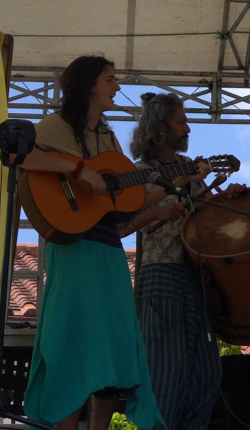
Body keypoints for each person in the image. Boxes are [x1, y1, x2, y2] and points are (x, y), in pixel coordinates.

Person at [19, 55, 165, 430]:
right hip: (73, 248)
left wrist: (170, 187)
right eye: (111, 79)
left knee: (111, 346)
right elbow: (24, 154)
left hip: (107, 252)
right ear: (88, 86)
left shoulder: (109, 137)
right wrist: (77, 168)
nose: (118, 87)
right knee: (75, 340)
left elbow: (123, 204)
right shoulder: (55, 125)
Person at [117, 92, 245, 430]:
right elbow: (133, 220)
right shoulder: (140, 173)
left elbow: (206, 219)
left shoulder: (193, 172)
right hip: (161, 276)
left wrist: (224, 198)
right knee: (166, 376)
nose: (188, 127)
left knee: (206, 375)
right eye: (181, 121)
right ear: (161, 128)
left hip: (196, 279)